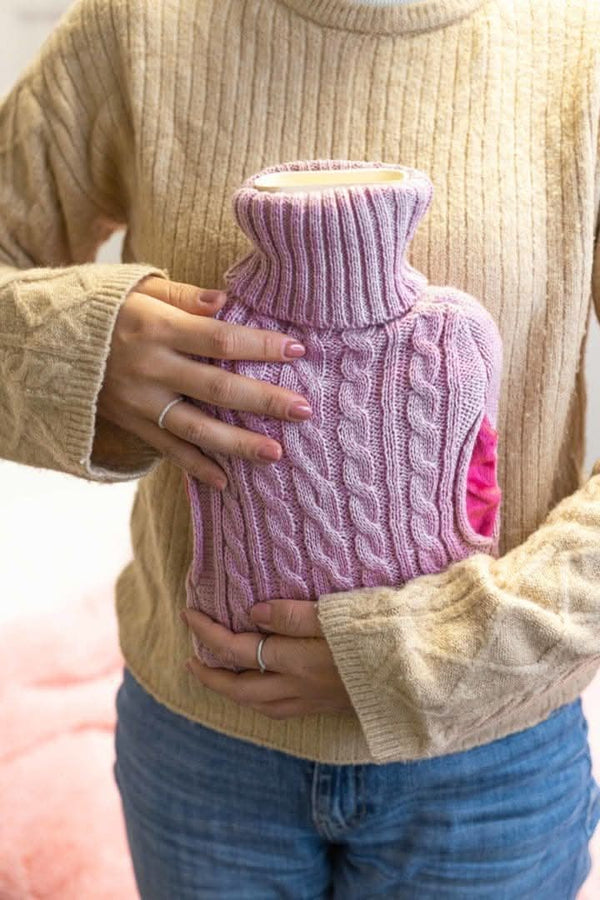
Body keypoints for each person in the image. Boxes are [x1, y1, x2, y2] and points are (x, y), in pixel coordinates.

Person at [2, 0, 600, 896]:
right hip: (202, 749)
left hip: (488, 757)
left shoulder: (579, 46)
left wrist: (439, 652)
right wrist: (77, 344)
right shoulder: (134, 26)